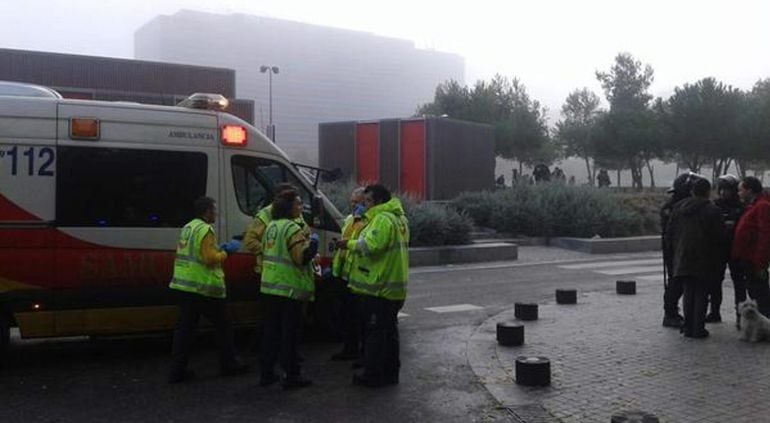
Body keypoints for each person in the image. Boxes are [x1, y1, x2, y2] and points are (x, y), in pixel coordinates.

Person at [168, 196, 249, 383]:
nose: (216, 213)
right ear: (206, 212)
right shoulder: (206, 229)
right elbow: (209, 258)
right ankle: (229, 364)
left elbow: (196, 252)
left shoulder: (188, 227)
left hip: (184, 285)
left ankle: (177, 371)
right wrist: (226, 252)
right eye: (214, 210)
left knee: (184, 330)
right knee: (224, 327)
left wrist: (217, 248)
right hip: (203, 287)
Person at [337, 184, 409, 388]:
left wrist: (348, 244)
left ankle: (373, 375)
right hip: (393, 285)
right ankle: (390, 373)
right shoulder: (399, 218)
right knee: (389, 333)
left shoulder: (382, 219)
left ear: (377, 201)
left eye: (368, 201)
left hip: (380, 286)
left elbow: (371, 246)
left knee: (375, 333)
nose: (364, 205)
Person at [259, 188, 319, 389]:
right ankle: (292, 376)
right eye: (298, 204)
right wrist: (313, 247)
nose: (300, 208)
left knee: (271, 333)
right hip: (289, 288)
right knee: (290, 335)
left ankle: (266, 373)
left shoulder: (271, 226)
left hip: (269, 287)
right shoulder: (293, 229)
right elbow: (300, 258)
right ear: (289, 207)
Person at [664, 178, 726, 338]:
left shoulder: (678, 208)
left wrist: (674, 253)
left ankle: (688, 326)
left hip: (682, 256)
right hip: (705, 258)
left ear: (692, 191)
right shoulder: (713, 211)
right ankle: (698, 328)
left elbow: (669, 233)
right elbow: (720, 238)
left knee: (688, 291)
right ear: (708, 191)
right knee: (701, 293)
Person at [329, 187, 368, 361]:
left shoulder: (367, 221)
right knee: (346, 316)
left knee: (359, 318)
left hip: (358, 276)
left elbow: (361, 242)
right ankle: (349, 349)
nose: (353, 205)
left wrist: (359, 219)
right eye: (352, 202)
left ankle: (360, 353)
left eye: (357, 202)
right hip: (344, 274)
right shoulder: (350, 219)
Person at [660, 172, 701, 328]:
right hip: (675, 249)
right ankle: (670, 314)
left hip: (678, 248)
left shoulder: (676, 206)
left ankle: (672, 313)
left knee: (677, 282)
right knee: (675, 282)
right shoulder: (673, 208)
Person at [243, 183, 305, 277]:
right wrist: (272, 250)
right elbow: (249, 241)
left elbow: (305, 233)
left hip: (294, 273)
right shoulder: (265, 215)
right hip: (271, 272)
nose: (299, 206)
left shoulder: (296, 213)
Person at [709, 174, 745, 325]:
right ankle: (715, 312)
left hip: (736, 249)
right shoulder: (714, 205)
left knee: (739, 283)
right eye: (721, 189)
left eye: (727, 189)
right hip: (718, 249)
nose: (723, 193)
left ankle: (740, 315)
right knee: (715, 282)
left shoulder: (741, 207)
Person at [732, 176, 770, 318]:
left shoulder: (762, 206)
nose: (739, 193)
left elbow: (765, 235)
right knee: (755, 291)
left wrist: (760, 261)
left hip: (755, 260)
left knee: (760, 294)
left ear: (750, 190)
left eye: (741, 190)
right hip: (748, 258)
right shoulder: (754, 205)